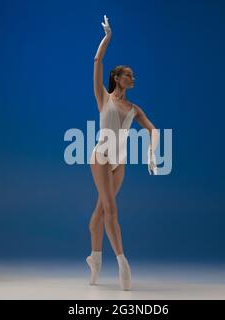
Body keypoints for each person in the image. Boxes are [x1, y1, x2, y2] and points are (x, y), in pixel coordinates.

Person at [86, 15, 159, 291]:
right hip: (101, 157)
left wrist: (151, 155)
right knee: (111, 209)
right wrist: (107, 38)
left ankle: (94, 259)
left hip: (119, 163)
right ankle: (122, 263)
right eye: (128, 74)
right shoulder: (103, 97)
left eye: (133, 75)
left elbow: (154, 131)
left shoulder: (135, 109)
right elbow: (97, 63)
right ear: (117, 78)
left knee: (100, 214)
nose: (132, 77)